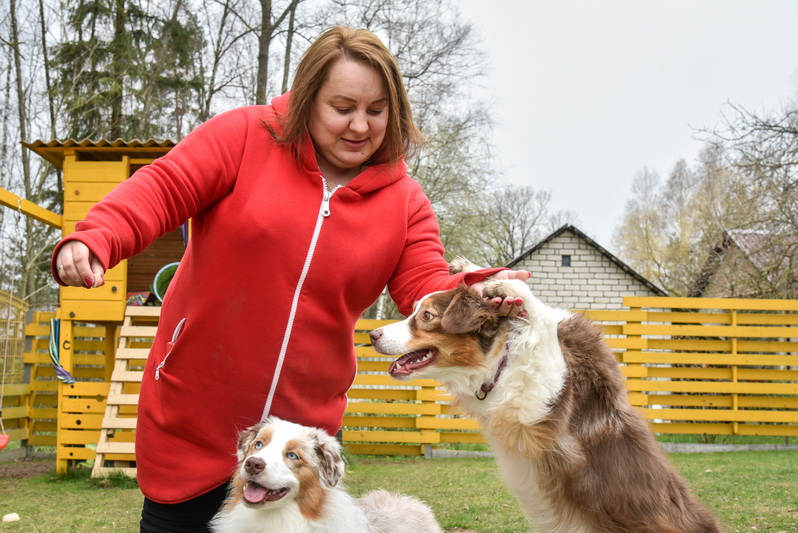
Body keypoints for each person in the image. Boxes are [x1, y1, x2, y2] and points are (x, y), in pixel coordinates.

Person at [52, 26, 529, 532]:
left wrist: (473, 292)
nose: (360, 126)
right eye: (342, 107)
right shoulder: (244, 136)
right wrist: (96, 236)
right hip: (192, 420)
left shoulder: (405, 201)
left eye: (376, 110)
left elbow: (425, 289)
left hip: (298, 450)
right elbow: (162, 188)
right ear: (306, 99)